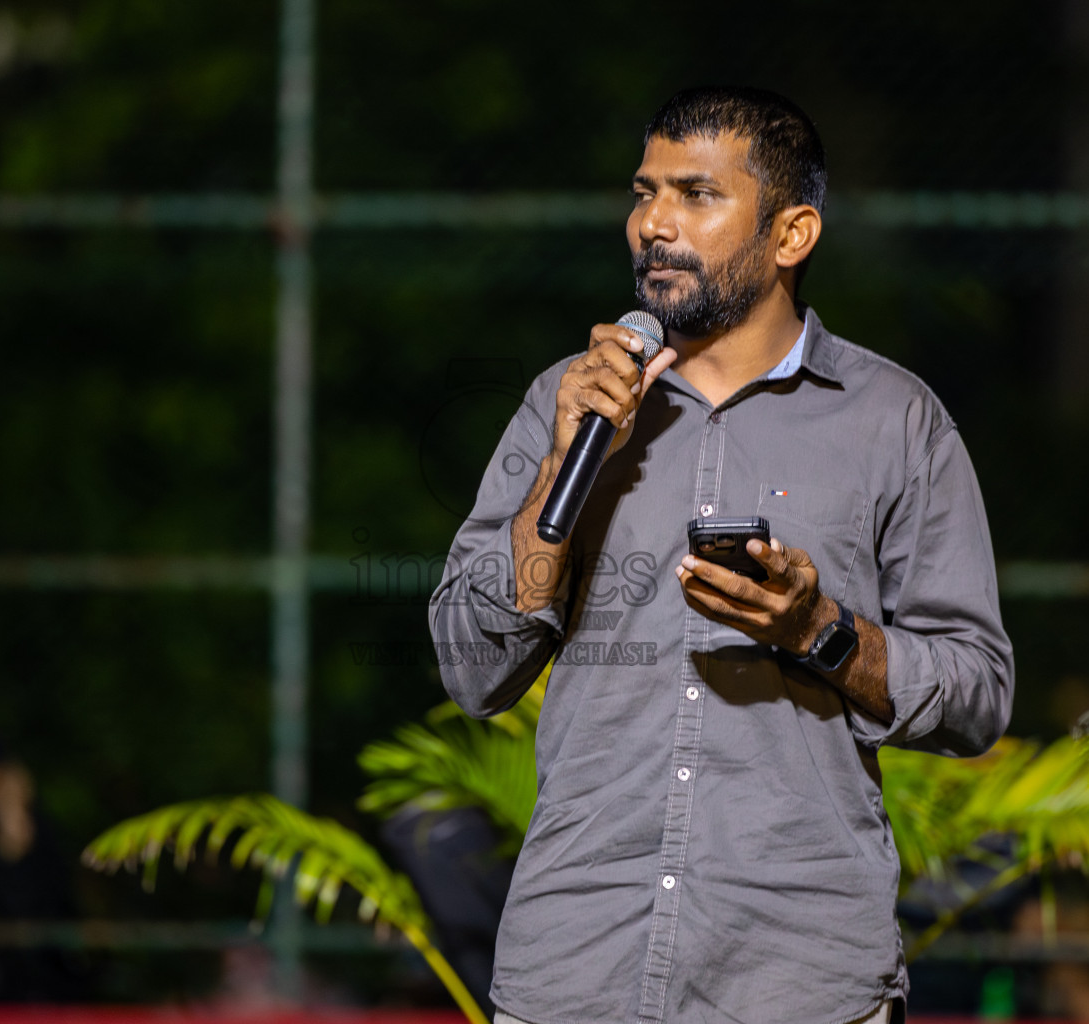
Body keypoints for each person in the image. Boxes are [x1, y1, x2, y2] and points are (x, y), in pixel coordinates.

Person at [429, 86, 1014, 1024]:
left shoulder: (895, 422)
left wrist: (819, 632)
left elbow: (979, 695)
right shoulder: (565, 400)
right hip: (578, 973)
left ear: (791, 234)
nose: (653, 224)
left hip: (797, 980)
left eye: (696, 195)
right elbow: (473, 666)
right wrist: (559, 469)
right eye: (643, 191)